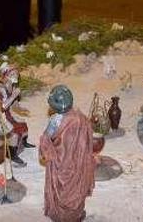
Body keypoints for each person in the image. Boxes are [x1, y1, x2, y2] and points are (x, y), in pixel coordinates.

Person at [40, 85, 95, 222]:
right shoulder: (81, 118)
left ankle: (60, 215)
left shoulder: (54, 121)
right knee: (76, 188)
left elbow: (46, 139)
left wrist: (45, 150)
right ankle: (75, 215)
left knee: (61, 189)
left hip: (60, 163)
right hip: (77, 162)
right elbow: (89, 138)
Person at [0, 61, 34, 167]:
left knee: (23, 124)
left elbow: (14, 104)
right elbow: (1, 108)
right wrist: (13, 96)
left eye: (17, 73)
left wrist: (21, 108)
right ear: (6, 75)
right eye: (13, 74)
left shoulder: (12, 86)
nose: (16, 76)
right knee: (13, 135)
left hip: (8, 113)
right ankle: (11, 156)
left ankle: (23, 143)